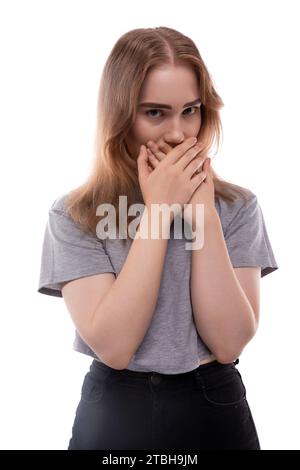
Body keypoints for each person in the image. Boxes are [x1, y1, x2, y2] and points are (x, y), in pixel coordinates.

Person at [37, 27, 279, 450]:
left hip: (212, 399)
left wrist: (202, 214)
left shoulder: (238, 206)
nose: (178, 133)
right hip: (115, 405)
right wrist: (160, 212)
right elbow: (114, 347)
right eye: (155, 113)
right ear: (121, 116)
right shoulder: (75, 214)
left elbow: (229, 342)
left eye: (190, 110)